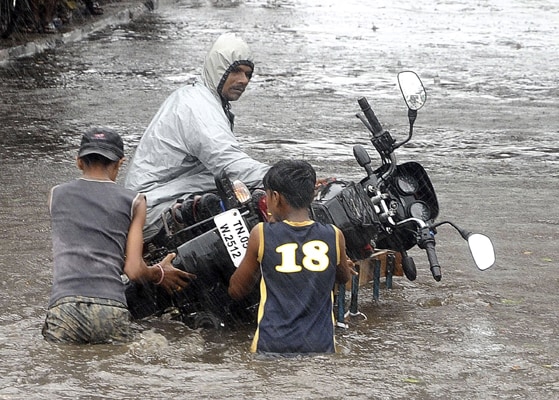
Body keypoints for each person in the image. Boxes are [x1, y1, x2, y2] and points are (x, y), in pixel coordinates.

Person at [42, 127, 196, 344]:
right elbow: (133, 270)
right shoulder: (135, 201)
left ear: (78, 162)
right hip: (110, 307)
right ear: (119, 163)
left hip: (65, 306)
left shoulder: (56, 195)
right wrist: (158, 273)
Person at [124, 33, 270, 241]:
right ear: (218, 69)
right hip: (154, 209)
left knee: (245, 192)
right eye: (236, 71)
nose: (243, 80)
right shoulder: (198, 107)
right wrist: (283, 178)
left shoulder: (205, 100)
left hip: (164, 197)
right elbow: (229, 164)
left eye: (248, 74)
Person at [228, 160, 356, 354]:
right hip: (319, 348)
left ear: (276, 197)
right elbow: (343, 277)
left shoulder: (261, 234)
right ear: (312, 196)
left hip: (272, 347)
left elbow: (236, 290)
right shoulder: (334, 235)